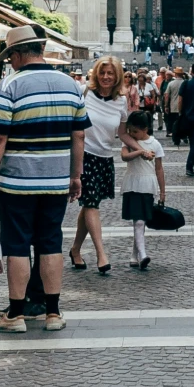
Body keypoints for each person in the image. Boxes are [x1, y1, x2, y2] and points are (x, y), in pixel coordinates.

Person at [0, 24, 86, 334]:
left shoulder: (10, 86)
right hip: (55, 179)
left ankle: (15, 315)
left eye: (10, 55)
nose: (10, 61)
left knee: (17, 245)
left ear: (18, 53)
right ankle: (53, 313)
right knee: (50, 242)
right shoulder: (70, 84)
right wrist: (75, 175)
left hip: (18, 181)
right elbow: (78, 134)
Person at [73, 57, 128, 276]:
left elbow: (122, 133)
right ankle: (101, 254)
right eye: (103, 72)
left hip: (104, 158)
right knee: (92, 203)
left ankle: (75, 250)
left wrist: (141, 148)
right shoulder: (83, 93)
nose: (106, 77)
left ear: (117, 76)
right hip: (83, 156)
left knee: (89, 204)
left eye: (110, 73)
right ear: (96, 74)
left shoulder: (121, 101)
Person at [117, 110, 166, 271]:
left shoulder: (155, 144)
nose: (131, 134)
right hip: (132, 182)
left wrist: (162, 191)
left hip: (147, 184)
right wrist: (141, 152)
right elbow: (124, 157)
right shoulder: (129, 143)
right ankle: (143, 254)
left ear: (145, 129)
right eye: (130, 130)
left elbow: (159, 169)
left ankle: (135, 255)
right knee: (138, 221)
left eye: (135, 131)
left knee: (140, 221)